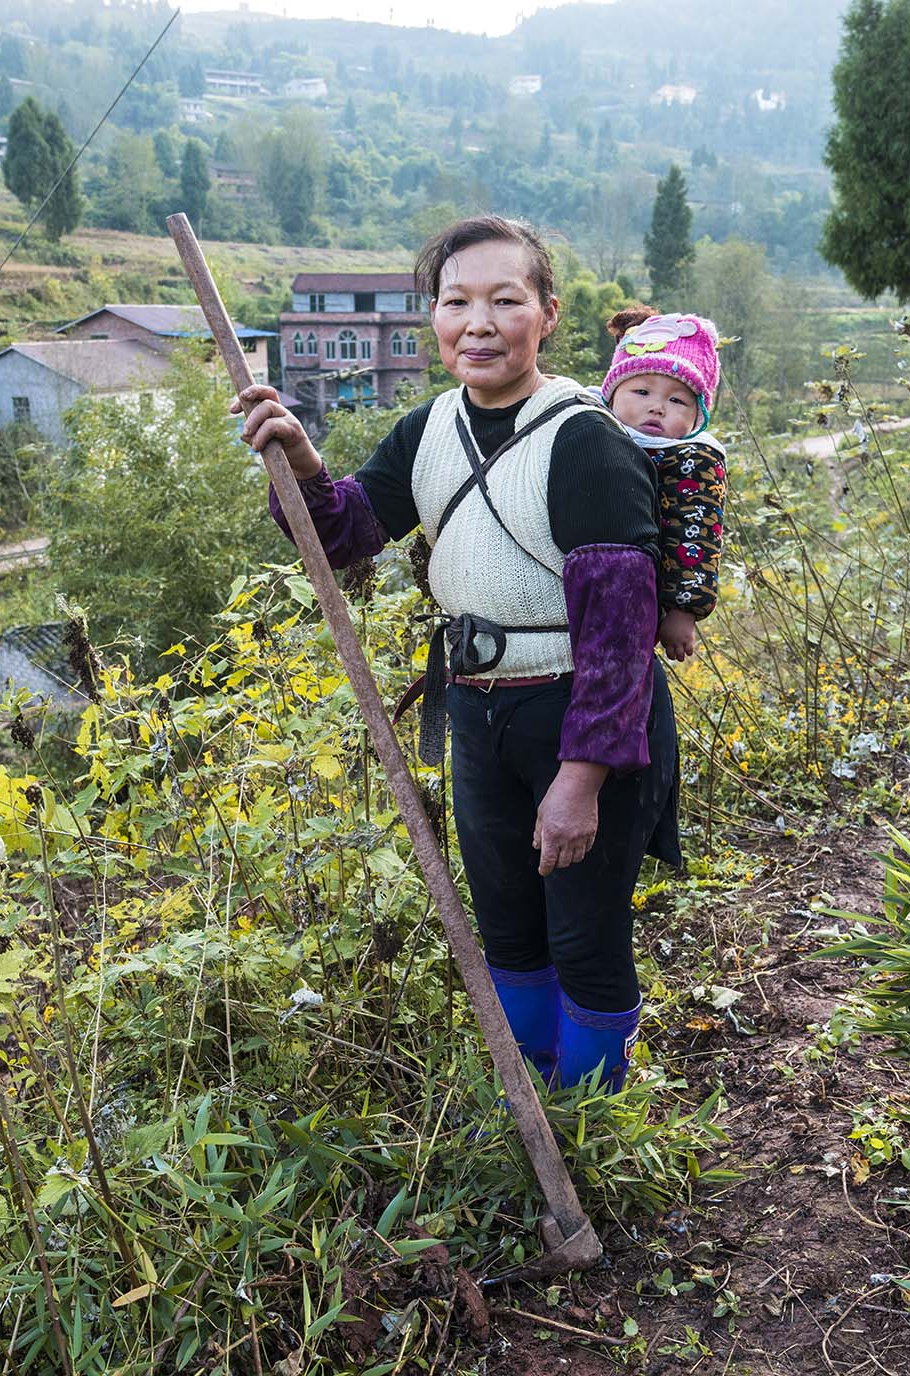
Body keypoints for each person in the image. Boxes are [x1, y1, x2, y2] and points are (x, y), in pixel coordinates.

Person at [234, 215, 680, 1094]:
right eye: (456, 301)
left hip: (581, 717)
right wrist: (301, 459)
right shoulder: (429, 427)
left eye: (504, 300)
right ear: (431, 317)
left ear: (546, 314)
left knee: (584, 934)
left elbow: (622, 637)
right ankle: (538, 1099)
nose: (478, 323)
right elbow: (347, 534)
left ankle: (594, 1117)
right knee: (508, 928)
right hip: (477, 709)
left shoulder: (586, 441)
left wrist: (580, 781)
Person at [595, 308, 727, 663]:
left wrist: (683, 612)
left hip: (644, 600)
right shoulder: (590, 429)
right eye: (641, 391)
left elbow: (696, 536)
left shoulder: (693, 461)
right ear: (611, 395)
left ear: (697, 416)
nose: (657, 408)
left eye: (677, 400)